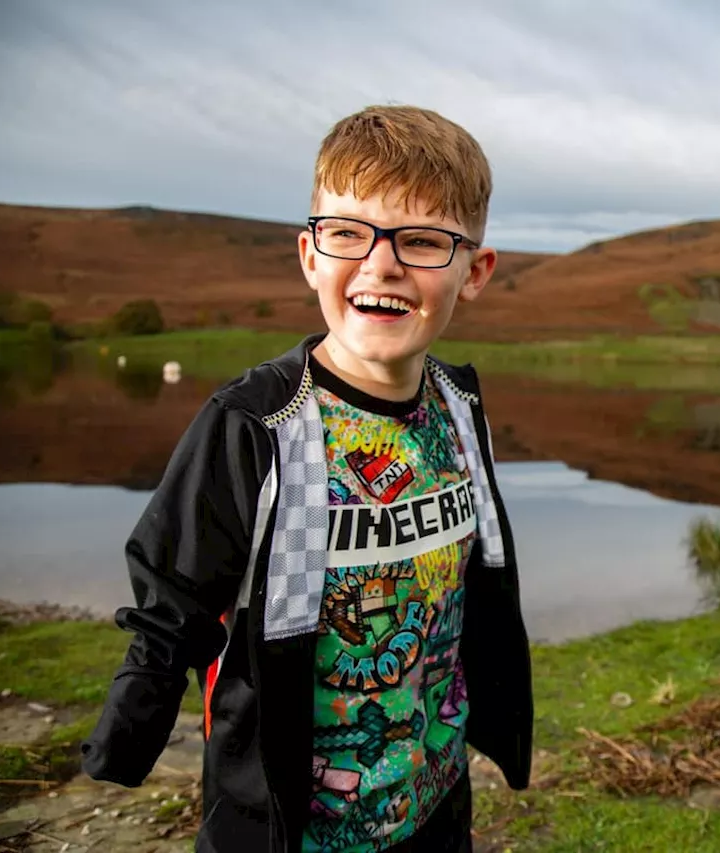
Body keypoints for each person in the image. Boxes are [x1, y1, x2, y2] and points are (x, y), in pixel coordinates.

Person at [81, 105, 534, 853]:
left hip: (435, 805)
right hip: (285, 827)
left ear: (475, 270)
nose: (381, 264)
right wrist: (122, 744)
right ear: (310, 255)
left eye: (422, 241)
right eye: (349, 233)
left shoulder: (461, 405)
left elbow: (481, 577)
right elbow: (173, 603)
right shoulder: (256, 424)